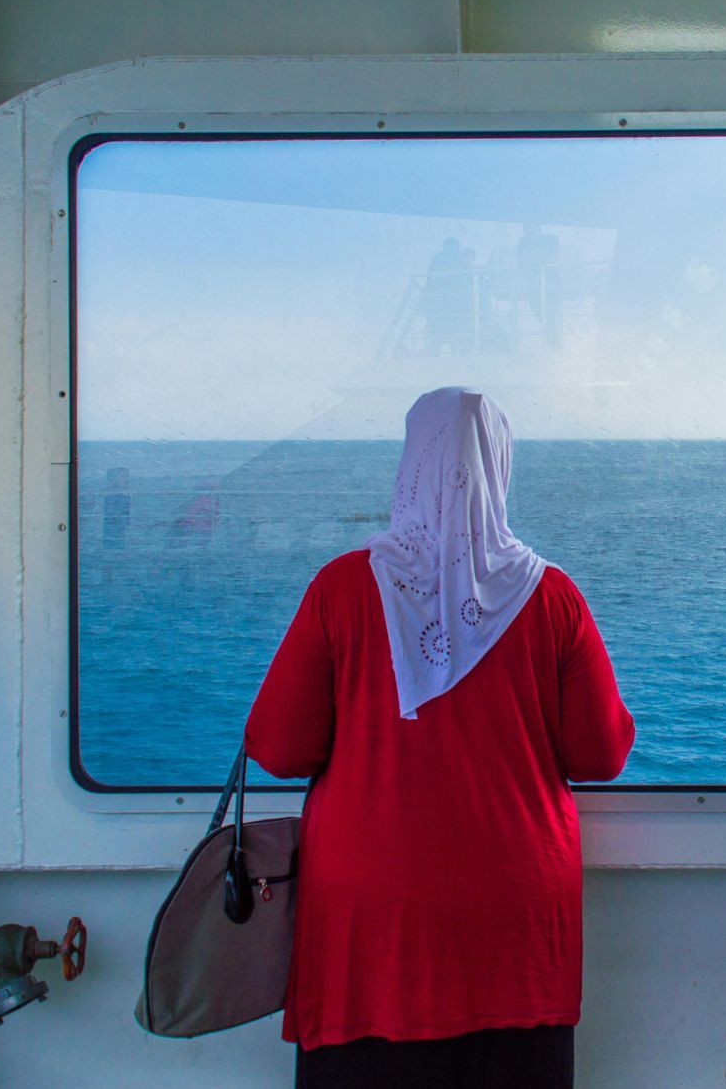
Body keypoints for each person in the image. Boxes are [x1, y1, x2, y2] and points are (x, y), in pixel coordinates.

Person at [245, 387, 635, 1089]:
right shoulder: (552, 599)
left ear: (410, 465)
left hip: (371, 925)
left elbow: (277, 747)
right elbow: (600, 755)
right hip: (515, 916)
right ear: (499, 467)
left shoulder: (341, 590)